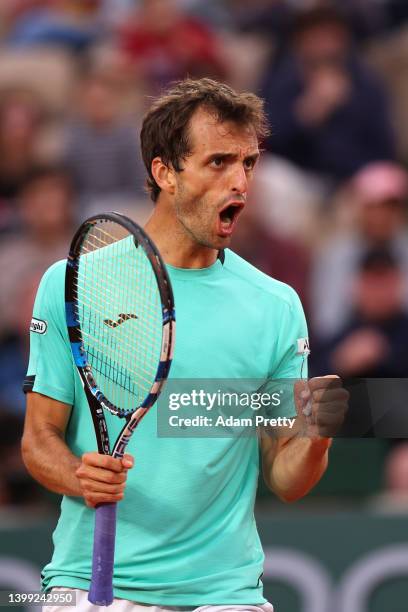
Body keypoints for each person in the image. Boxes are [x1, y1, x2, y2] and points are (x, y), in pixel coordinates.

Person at [22, 78, 347, 611]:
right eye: (219, 162)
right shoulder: (71, 284)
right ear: (164, 172)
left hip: (225, 594)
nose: (240, 181)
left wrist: (315, 439)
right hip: (90, 586)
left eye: (248, 163)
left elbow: (285, 479)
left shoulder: (276, 306)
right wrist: (80, 475)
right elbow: (39, 441)